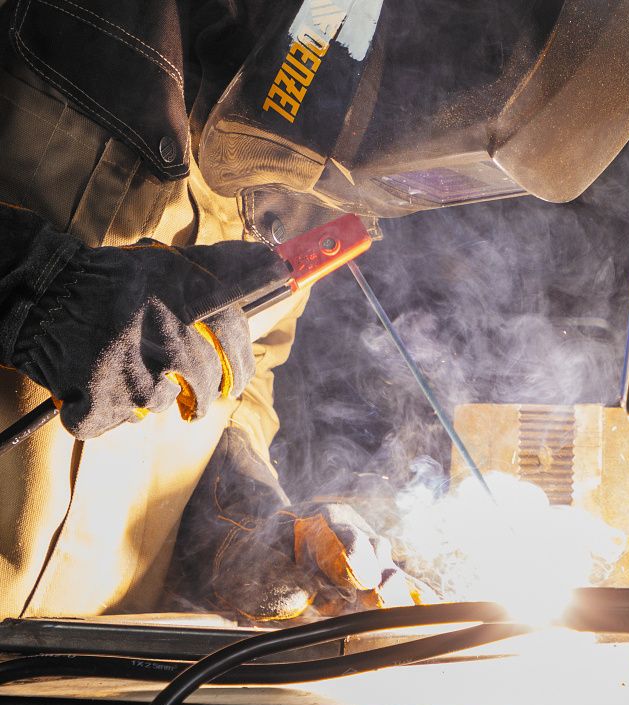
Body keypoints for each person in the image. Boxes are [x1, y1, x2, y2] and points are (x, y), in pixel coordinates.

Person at [0, 0, 419, 623]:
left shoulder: (312, 153)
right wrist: (40, 290)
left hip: (98, 663)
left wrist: (250, 524)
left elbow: (241, 381)